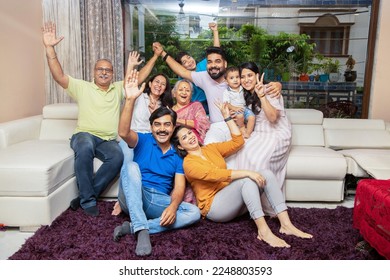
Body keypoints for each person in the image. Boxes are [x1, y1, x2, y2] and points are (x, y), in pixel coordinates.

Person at [171, 102, 312, 248]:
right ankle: (264, 231)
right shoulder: (188, 163)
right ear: (181, 146)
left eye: (189, 133)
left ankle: (286, 224)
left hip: (235, 202)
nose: (190, 137)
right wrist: (248, 173)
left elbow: (238, 142)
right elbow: (217, 174)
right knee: (246, 180)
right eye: (184, 138)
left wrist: (227, 117)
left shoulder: (210, 148)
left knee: (267, 174)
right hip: (216, 208)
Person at [113, 70, 200, 256]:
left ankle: (135, 226)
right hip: (134, 194)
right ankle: (142, 231)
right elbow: (123, 132)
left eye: (167, 125)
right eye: (157, 125)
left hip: (157, 200)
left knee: (193, 213)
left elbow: (178, 188)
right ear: (151, 127)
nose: (162, 129)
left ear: (173, 127)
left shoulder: (178, 155)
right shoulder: (143, 140)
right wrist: (129, 100)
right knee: (131, 166)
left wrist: (173, 206)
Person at [42, 21, 124, 217]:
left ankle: (85, 195)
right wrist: (49, 49)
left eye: (108, 70)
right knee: (85, 147)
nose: (104, 72)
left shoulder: (119, 88)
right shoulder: (82, 87)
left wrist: (156, 57)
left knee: (118, 157)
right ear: (93, 73)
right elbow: (59, 76)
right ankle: (88, 201)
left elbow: (137, 80)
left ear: (112, 74)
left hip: (108, 140)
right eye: (100, 69)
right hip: (84, 135)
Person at [157, 43, 283, 144]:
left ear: (225, 64)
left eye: (217, 61)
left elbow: (251, 80)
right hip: (216, 127)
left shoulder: (235, 77)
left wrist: (277, 84)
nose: (213, 65)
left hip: (238, 125)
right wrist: (163, 53)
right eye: (209, 62)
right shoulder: (204, 77)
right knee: (209, 148)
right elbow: (182, 72)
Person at [228, 62, 292, 215]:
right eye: (242, 76)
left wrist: (262, 95)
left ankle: (264, 206)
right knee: (239, 152)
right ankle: (245, 201)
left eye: (249, 75)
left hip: (277, 133)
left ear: (257, 75)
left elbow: (272, 117)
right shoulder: (245, 95)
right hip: (259, 133)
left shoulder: (269, 90)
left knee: (258, 159)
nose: (245, 79)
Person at [175, 22, 220, 114]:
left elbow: (216, 52)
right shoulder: (183, 77)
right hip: (196, 106)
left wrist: (215, 31)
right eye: (185, 62)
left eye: (189, 57)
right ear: (182, 67)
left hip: (212, 101)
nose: (189, 61)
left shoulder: (202, 65)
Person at [171, 79, 210, 145]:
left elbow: (203, 124)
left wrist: (178, 121)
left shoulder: (196, 106)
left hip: (196, 141)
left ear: (191, 95)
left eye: (187, 90)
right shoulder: (169, 112)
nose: (184, 92)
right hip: (177, 143)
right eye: (180, 90)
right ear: (174, 94)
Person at [222, 66, 255, 138]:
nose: (235, 80)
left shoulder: (243, 88)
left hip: (245, 108)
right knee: (240, 116)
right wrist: (235, 108)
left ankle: (248, 133)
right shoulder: (227, 92)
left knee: (252, 117)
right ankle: (242, 127)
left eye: (237, 77)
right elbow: (226, 104)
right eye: (231, 78)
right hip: (235, 110)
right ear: (226, 81)